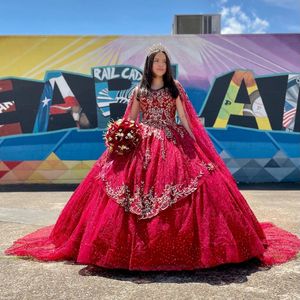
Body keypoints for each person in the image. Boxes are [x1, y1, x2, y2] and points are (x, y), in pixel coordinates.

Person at [5, 43, 300, 271]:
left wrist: (197, 142)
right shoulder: (140, 89)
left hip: (174, 141)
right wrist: (120, 136)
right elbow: (130, 118)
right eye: (156, 61)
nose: (160, 64)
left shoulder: (175, 87)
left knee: (194, 189)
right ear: (149, 65)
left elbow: (184, 117)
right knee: (122, 191)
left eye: (164, 61)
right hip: (142, 143)